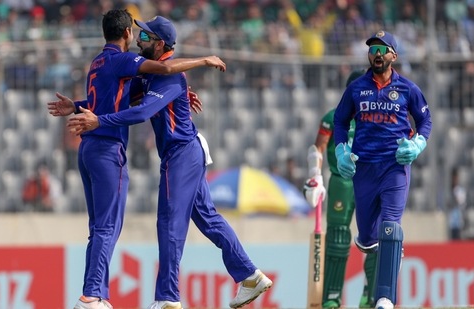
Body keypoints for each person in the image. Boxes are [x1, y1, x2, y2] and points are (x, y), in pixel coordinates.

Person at [65, 15, 272, 309]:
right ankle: (250, 276)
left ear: (160, 43)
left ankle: (168, 299)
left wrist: (99, 121)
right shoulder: (152, 75)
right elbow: (120, 100)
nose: (140, 40)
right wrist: (76, 106)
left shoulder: (170, 76)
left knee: (169, 224)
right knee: (207, 218)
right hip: (182, 153)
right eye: (139, 35)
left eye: (146, 37)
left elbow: (139, 113)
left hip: (182, 154)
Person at [332, 30, 432, 309]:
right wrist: (341, 151)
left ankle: (385, 298)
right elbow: (340, 122)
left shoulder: (408, 89)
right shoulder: (356, 88)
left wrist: (418, 144)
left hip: (394, 166)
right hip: (363, 168)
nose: (376, 54)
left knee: (390, 226)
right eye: (372, 49)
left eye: (382, 49)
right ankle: (385, 245)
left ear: (394, 55)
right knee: (366, 238)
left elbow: (425, 120)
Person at [303, 69, 377, 309]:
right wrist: (315, 176)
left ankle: (371, 296)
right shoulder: (334, 117)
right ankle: (332, 298)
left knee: (376, 238)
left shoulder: (378, 117)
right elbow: (318, 149)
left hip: (370, 181)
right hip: (342, 182)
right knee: (337, 239)